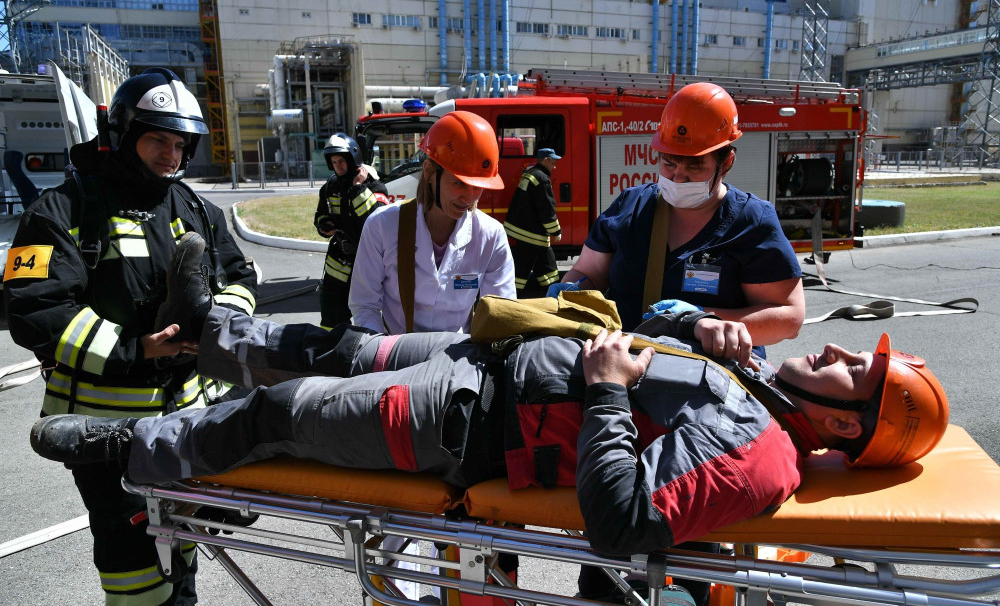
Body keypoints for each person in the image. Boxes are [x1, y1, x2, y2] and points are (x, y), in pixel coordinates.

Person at [29, 235, 949, 565]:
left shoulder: (763, 453)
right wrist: (689, 321)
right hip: (489, 357)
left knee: (288, 412)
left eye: (854, 373)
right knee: (339, 344)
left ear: (843, 424)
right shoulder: (754, 374)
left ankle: (128, 450)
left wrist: (607, 393)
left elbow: (623, 520)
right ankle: (208, 331)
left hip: (467, 423)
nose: (835, 350)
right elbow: (651, 332)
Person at [4, 69, 258, 606]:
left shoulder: (193, 208)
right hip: (105, 431)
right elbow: (33, 309)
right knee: (133, 564)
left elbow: (240, 277)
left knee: (181, 543)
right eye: (157, 140)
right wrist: (135, 348)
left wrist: (215, 326)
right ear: (123, 135)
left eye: (180, 144)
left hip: (185, 418)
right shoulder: (62, 210)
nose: (171, 155)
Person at [551, 82, 805, 358]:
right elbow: (589, 273)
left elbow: (789, 317)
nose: (678, 177)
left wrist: (703, 319)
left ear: (726, 162)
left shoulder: (751, 222)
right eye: (669, 163)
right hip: (624, 362)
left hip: (707, 373)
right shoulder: (631, 206)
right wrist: (571, 292)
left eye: (694, 166)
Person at [350, 110, 515, 334]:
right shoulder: (382, 226)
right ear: (429, 172)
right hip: (396, 350)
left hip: (457, 353)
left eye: (478, 186)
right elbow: (365, 305)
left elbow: (501, 313)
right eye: (458, 183)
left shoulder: (491, 236)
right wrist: (382, 350)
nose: (469, 198)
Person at [314, 132, 390, 329]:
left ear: (352, 159)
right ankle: (332, 346)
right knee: (331, 315)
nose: (338, 166)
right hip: (338, 262)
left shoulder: (374, 185)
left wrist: (357, 188)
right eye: (334, 162)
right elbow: (321, 215)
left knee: (368, 315)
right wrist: (324, 225)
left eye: (342, 161)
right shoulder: (330, 187)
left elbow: (377, 220)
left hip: (367, 262)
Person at [503, 147, 563, 297]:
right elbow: (546, 208)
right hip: (532, 234)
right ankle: (510, 298)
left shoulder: (530, 174)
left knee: (544, 267)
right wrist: (555, 231)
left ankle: (553, 294)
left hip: (524, 231)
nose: (555, 166)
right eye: (553, 162)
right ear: (545, 160)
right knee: (522, 270)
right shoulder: (541, 178)